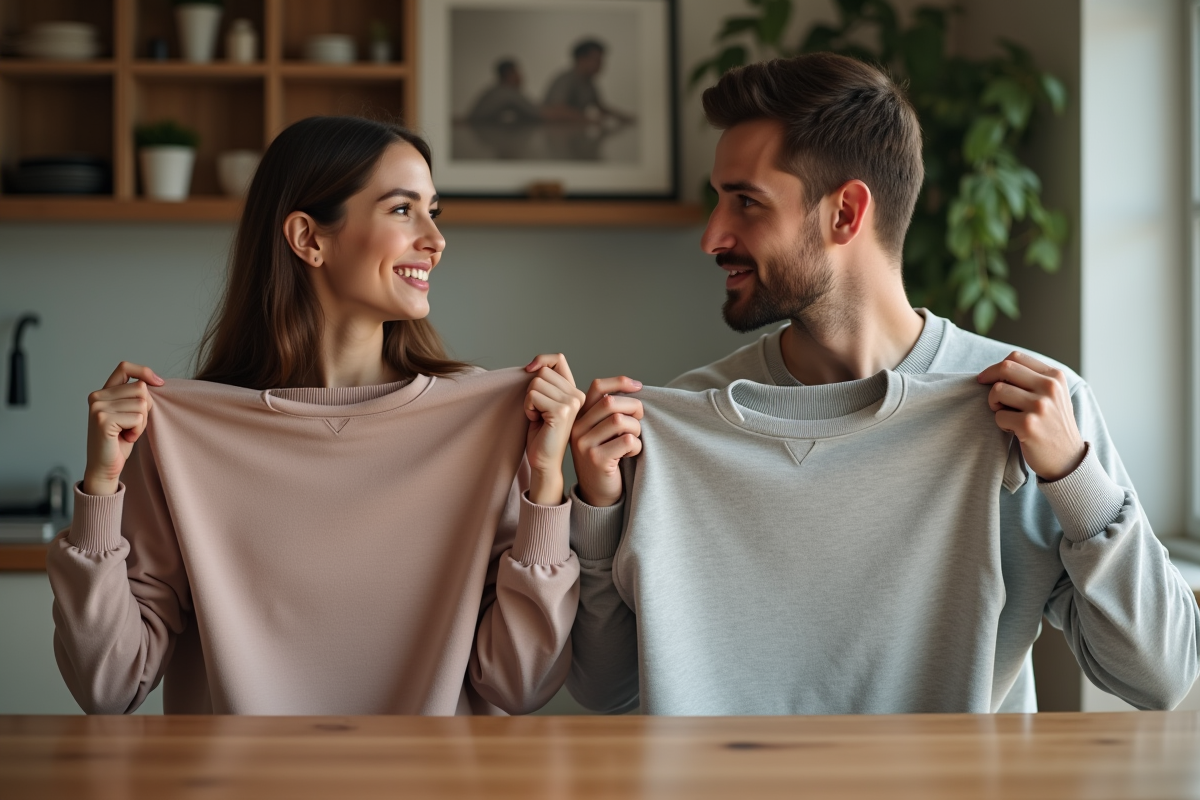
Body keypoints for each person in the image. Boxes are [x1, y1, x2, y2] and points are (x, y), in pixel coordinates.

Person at [566, 54, 1200, 714]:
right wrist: (599, 513)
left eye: (746, 202)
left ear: (845, 213)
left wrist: (1075, 478)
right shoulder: (679, 427)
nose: (711, 237)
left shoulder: (1032, 411)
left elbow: (1159, 675)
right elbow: (604, 690)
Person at [47, 116, 586, 716]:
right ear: (308, 238)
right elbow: (108, 686)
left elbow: (520, 686)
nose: (435, 239)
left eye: (435, 211)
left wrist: (546, 487)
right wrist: (100, 490)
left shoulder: (489, 423)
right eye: (403, 210)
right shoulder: (178, 437)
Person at [542, 39, 633, 125]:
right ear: (581, 59)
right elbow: (557, 110)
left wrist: (624, 118)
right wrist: (588, 119)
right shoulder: (566, 80)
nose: (601, 64)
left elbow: (601, 108)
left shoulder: (589, 83)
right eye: (597, 60)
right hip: (553, 131)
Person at [466, 59, 542, 126]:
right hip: (477, 132)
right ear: (510, 75)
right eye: (518, 73)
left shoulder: (495, 90)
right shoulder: (508, 93)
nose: (521, 77)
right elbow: (539, 114)